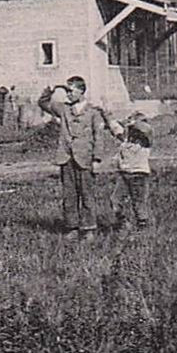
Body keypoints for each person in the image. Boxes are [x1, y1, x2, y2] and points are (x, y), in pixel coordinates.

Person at [45, 76, 115, 239]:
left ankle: (89, 228)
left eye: (71, 90)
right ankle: (72, 227)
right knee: (69, 194)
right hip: (66, 158)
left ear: (81, 91)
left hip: (85, 159)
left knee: (87, 194)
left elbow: (99, 137)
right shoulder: (64, 109)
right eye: (67, 91)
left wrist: (97, 159)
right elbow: (44, 104)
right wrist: (50, 90)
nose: (68, 94)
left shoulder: (93, 112)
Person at [112, 112, 155, 233]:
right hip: (124, 175)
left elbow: (146, 129)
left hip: (139, 175)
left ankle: (143, 228)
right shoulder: (125, 141)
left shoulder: (145, 141)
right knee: (115, 201)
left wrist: (133, 122)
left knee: (138, 203)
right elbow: (114, 127)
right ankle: (123, 224)